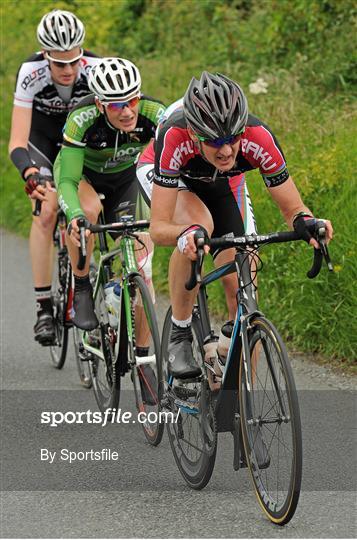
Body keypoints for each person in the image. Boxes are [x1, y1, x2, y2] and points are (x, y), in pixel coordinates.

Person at [137, 71, 333, 379]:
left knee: (243, 277)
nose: (227, 150)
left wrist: (308, 223)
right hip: (172, 177)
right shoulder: (175, 136)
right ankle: (179, 333)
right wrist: (184, 234)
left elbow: (294, 208)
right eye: (214, 141)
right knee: (198, 226)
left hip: (224, 182)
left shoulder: (258, 137)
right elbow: (159, 228)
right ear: (194, 134)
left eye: (233, 138)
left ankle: (243, 400)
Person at [54, 57, 165, 334]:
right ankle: (81, 286)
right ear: (100, 104)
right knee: (88, 212)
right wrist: (75, 215)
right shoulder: (82, 118)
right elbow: (67, 179)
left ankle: (143, 357)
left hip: (125, 178)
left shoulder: (155, 114)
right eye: (116, 105)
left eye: (132, 101)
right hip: (83, 177)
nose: (127, 111)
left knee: (143, 269)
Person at [8, 9, 98, 345]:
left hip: (81, 145)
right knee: (46, 212)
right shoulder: (30, 73)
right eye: (60, 64)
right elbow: (17, 141)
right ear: (45, 56)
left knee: (89, 210)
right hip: (43, 143)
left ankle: (89, 281)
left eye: (74, 61)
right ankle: (44, 307)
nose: (69, 70)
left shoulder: (95, 70)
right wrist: (30, 173)